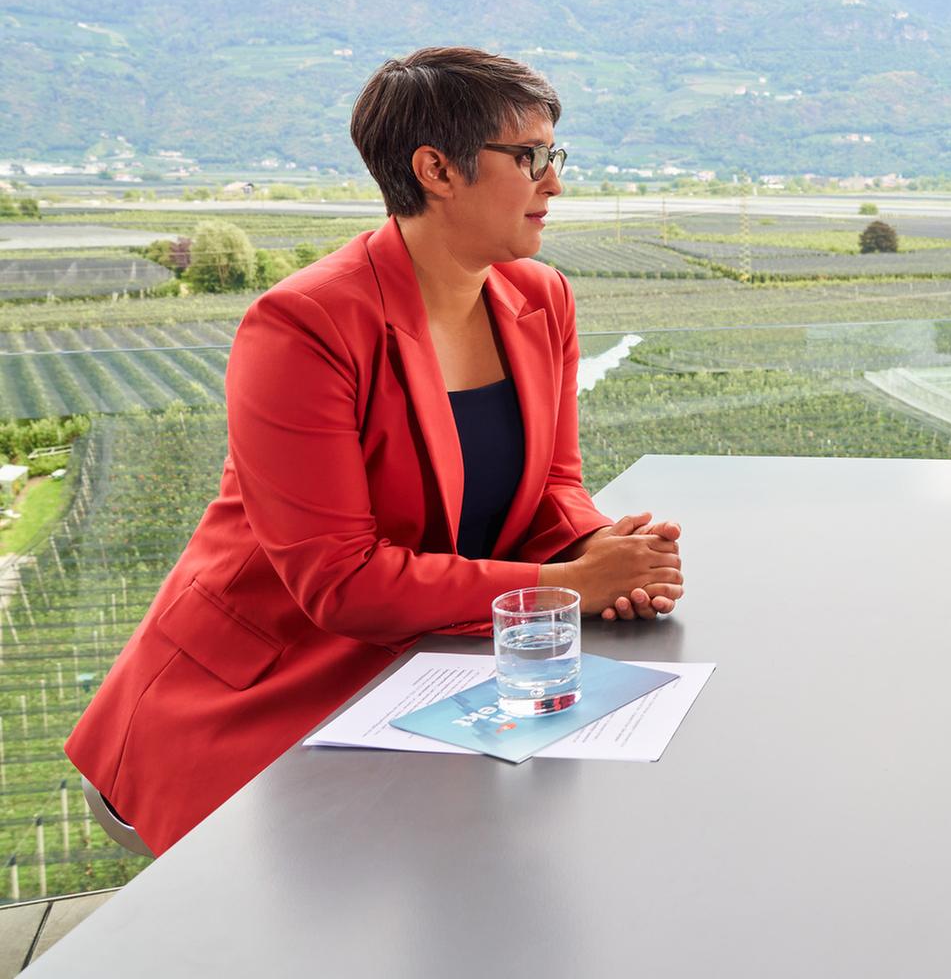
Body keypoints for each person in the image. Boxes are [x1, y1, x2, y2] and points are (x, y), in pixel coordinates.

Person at [66, 47, 685, 855]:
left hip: (417, 674)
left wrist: (599, 545)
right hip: (256, 701)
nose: (555, 183)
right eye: (530, 158)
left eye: (554, 156)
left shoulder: (543, 297)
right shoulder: (304, 325)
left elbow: (552, 484)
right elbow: (340, 578)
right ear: (437, 170)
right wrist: (563, 586)